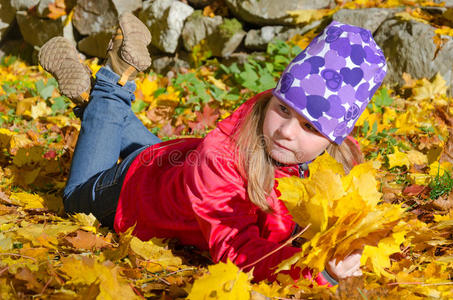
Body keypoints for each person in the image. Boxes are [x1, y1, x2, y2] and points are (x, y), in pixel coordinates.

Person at [38, 13, 386, 285]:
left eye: (310, 127)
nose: (285, 132)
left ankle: (93, 99)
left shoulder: (337, 161)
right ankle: (112, 85)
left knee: (160, 155)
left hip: (175, 166)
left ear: (335, 138)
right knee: (74, 199)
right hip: (130, 190)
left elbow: (351, 222)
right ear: (273, 98)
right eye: (283, 109)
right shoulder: (221, 157)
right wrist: (318, 276)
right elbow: (237, 249)